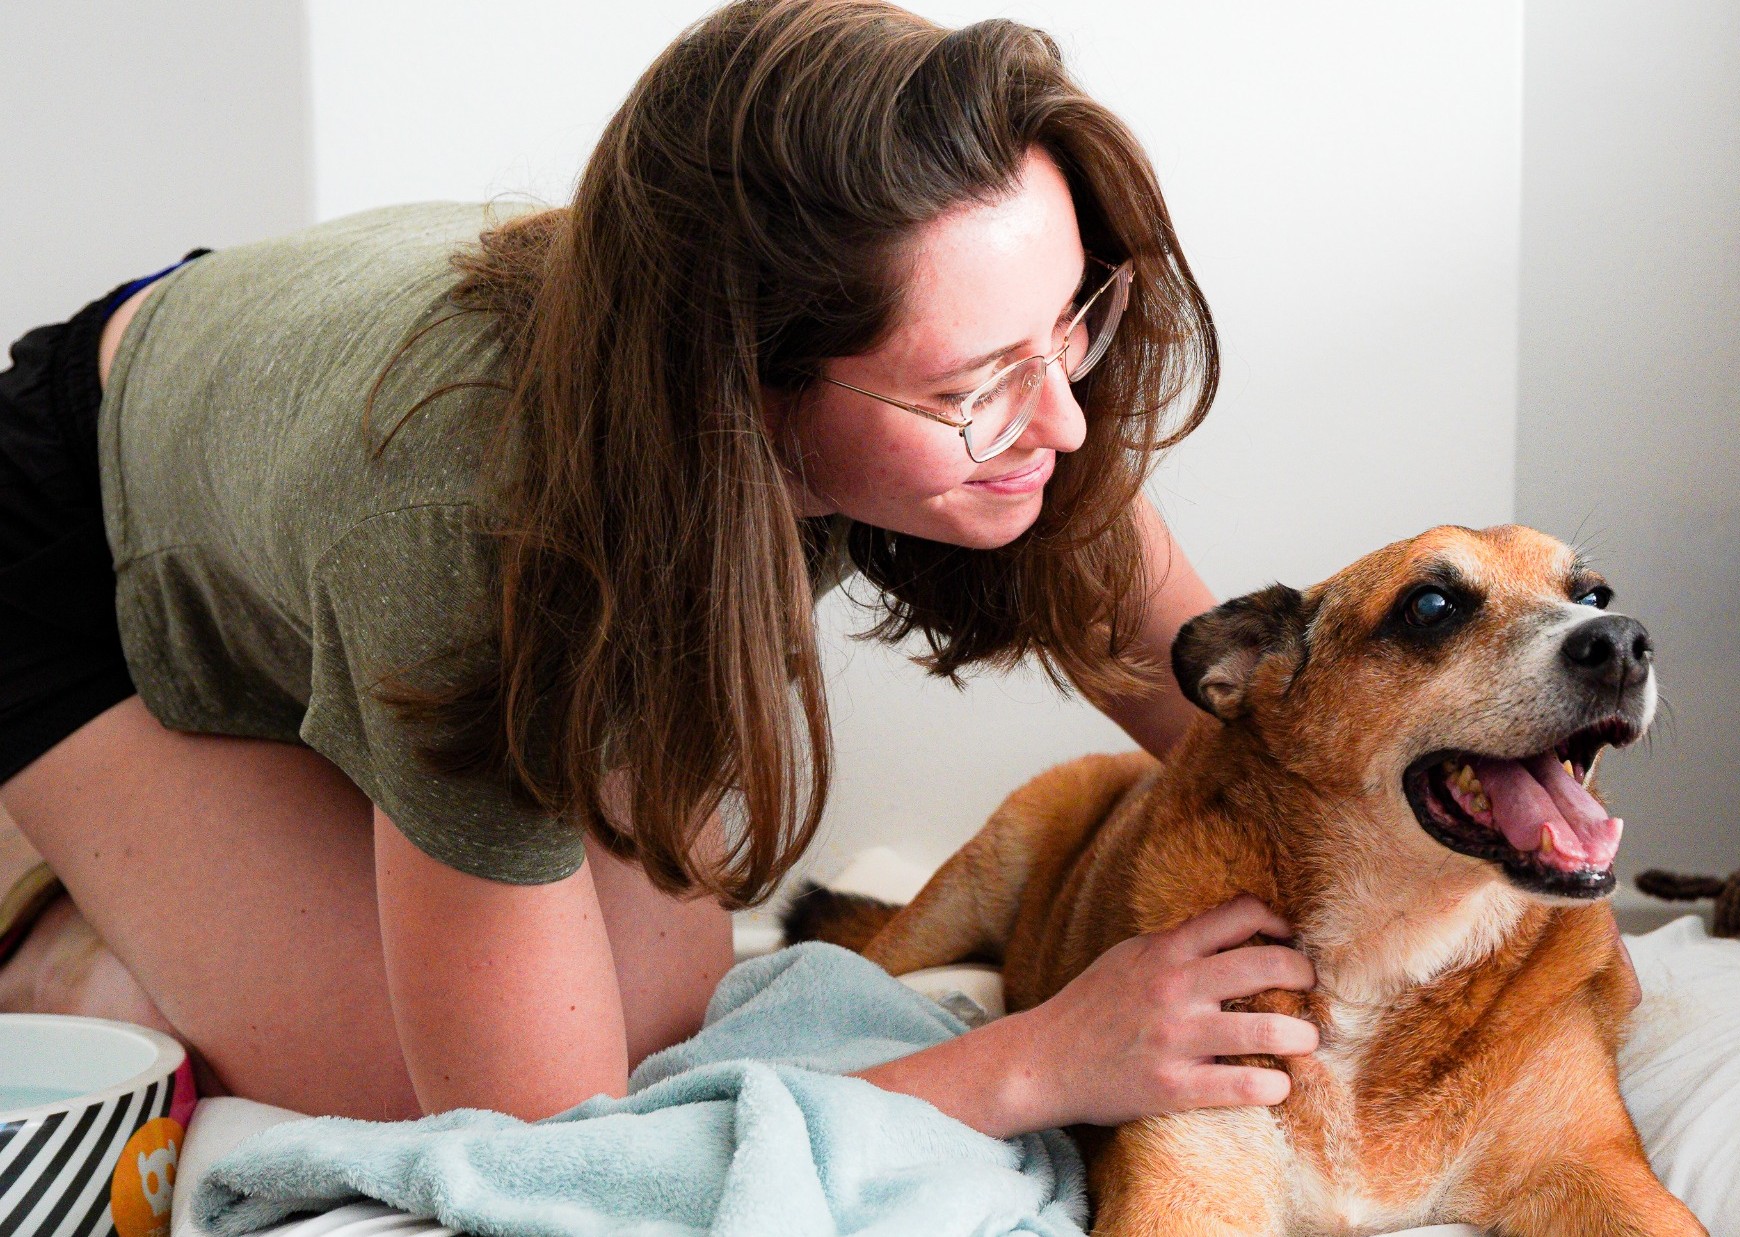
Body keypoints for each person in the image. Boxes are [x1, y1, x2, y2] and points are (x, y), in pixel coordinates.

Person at [0, 0, 1325, 1134]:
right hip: (72, 528)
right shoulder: (476, 540)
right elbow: (560, 1149)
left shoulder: (979, 353)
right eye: (976, 387)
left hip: (324, 437)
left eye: (1071, 322)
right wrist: (1037, 1060)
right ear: (745, 386)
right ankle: (64, 920)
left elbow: (1220, 711)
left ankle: (302, 806)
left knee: (665, 1015)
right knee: (485, 1087)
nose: (1066, 424)